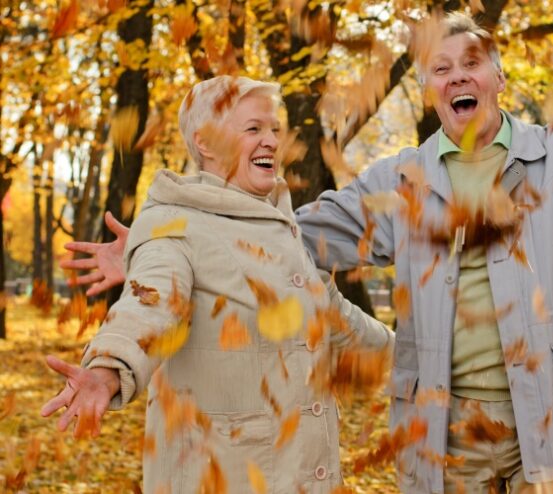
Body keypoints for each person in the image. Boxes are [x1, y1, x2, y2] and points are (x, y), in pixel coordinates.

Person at [62, 12, 553, 494]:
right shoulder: (397, 182)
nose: (455, 76)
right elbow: (283, 238)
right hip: (446, 431)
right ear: (432, 93)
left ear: (498, 77)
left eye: (469, 62)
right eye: (439, 69)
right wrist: (172, 237)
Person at [42, 76, 394, 494]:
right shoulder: (171, 225)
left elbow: (332, 316)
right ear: (205, 143)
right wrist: (107, 369)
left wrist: (418, 353)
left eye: (274, 130)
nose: (271, 142)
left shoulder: (280, 227)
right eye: (253, 129)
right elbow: (151, 305)